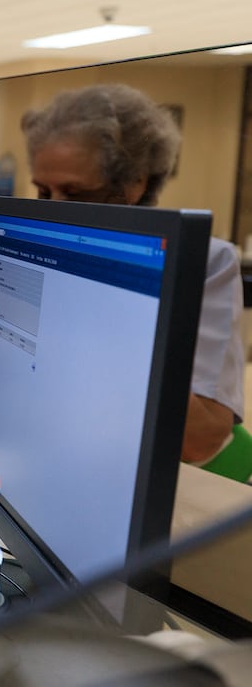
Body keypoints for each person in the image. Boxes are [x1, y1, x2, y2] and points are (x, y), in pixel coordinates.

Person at [21, 83, 246, 473]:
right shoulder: (43, 249)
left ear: (134, 183)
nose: (53, 213)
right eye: (44, 192)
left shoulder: (205, 263)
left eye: (75, 194)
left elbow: (202, 438)